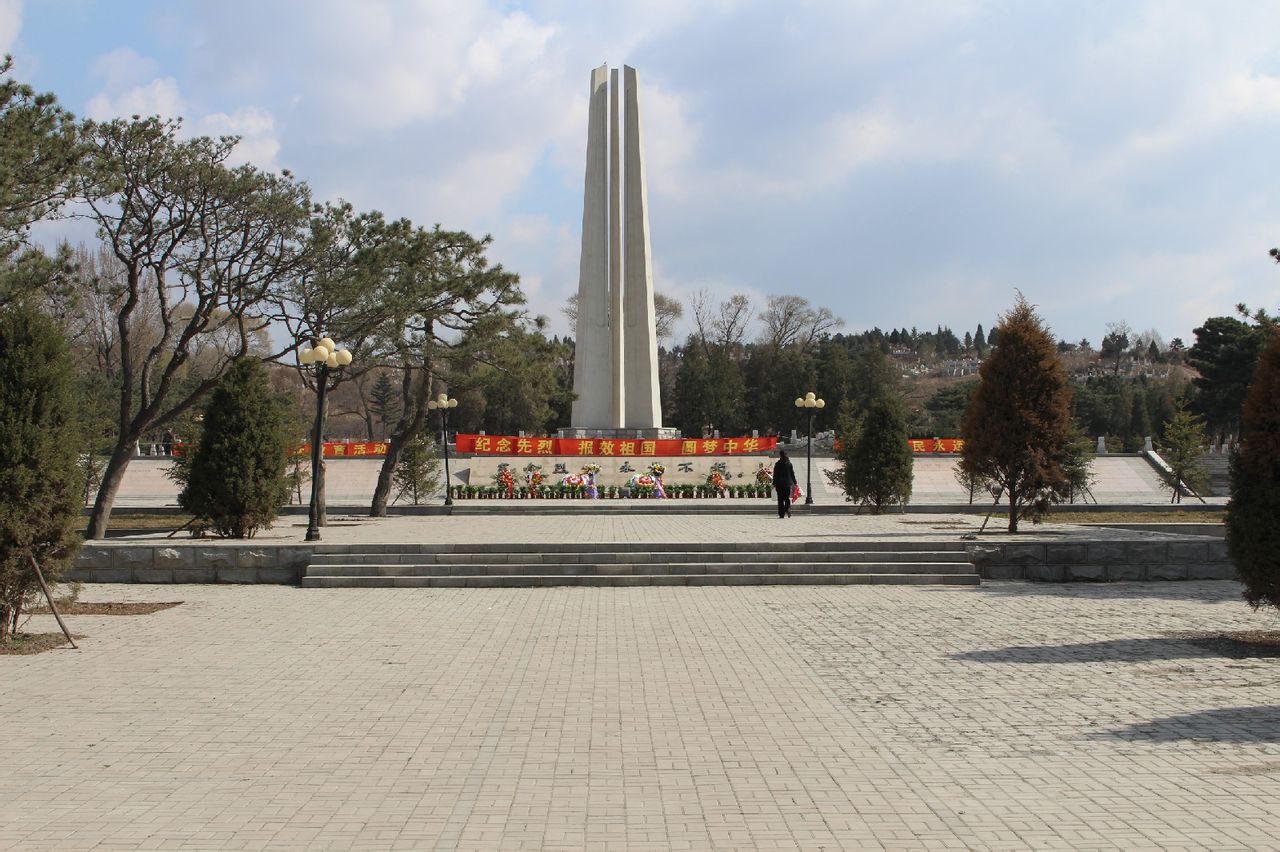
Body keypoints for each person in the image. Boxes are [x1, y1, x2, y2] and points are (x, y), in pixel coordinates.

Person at [772, 450, 797, 519]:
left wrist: (774, 483)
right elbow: (792, 474)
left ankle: (781, 514)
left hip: (779, 484)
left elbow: (775, 474)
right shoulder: (789, 464)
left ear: (780, 455)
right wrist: (795, 482)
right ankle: (788, 508)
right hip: (787, 484)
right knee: (786, 498)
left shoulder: (777, 464)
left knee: (780, 500)